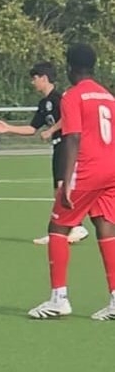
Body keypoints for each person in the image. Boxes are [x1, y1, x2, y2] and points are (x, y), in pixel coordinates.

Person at [27, 43, 115, 320]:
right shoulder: (107, 96)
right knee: (105, 225)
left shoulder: (72, 95)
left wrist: (65, 180)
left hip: (87, 169)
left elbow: (73, 137)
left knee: (58, 226)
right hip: (111, 169)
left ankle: (58, 299)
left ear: (69, 67)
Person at [0, 62, 89, 245]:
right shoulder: (44, 103)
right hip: (57, 147)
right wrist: (8, 128)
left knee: (62, 187)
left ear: (44, 78)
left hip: (67, 145)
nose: (33, 82)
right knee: (58, 190)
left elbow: (68, 117)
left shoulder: (60, 98)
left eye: (34, 78)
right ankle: (68, 228)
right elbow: (32, 128)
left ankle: (75, 226)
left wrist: (51, 130)